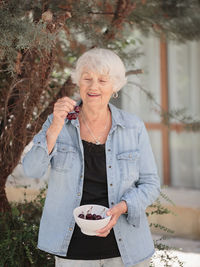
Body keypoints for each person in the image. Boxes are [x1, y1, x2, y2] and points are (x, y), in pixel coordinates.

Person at [23, 48, 160, 267]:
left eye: (102, 80)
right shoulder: (58, 123)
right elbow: (31, 170)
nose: (93, 86)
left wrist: (123, 206)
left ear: (114, 86)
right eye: (87, 78)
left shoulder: (133, 126)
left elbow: (151, 184)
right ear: (78, 82)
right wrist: (55, 126)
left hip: (126, 250)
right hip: (72, 248)